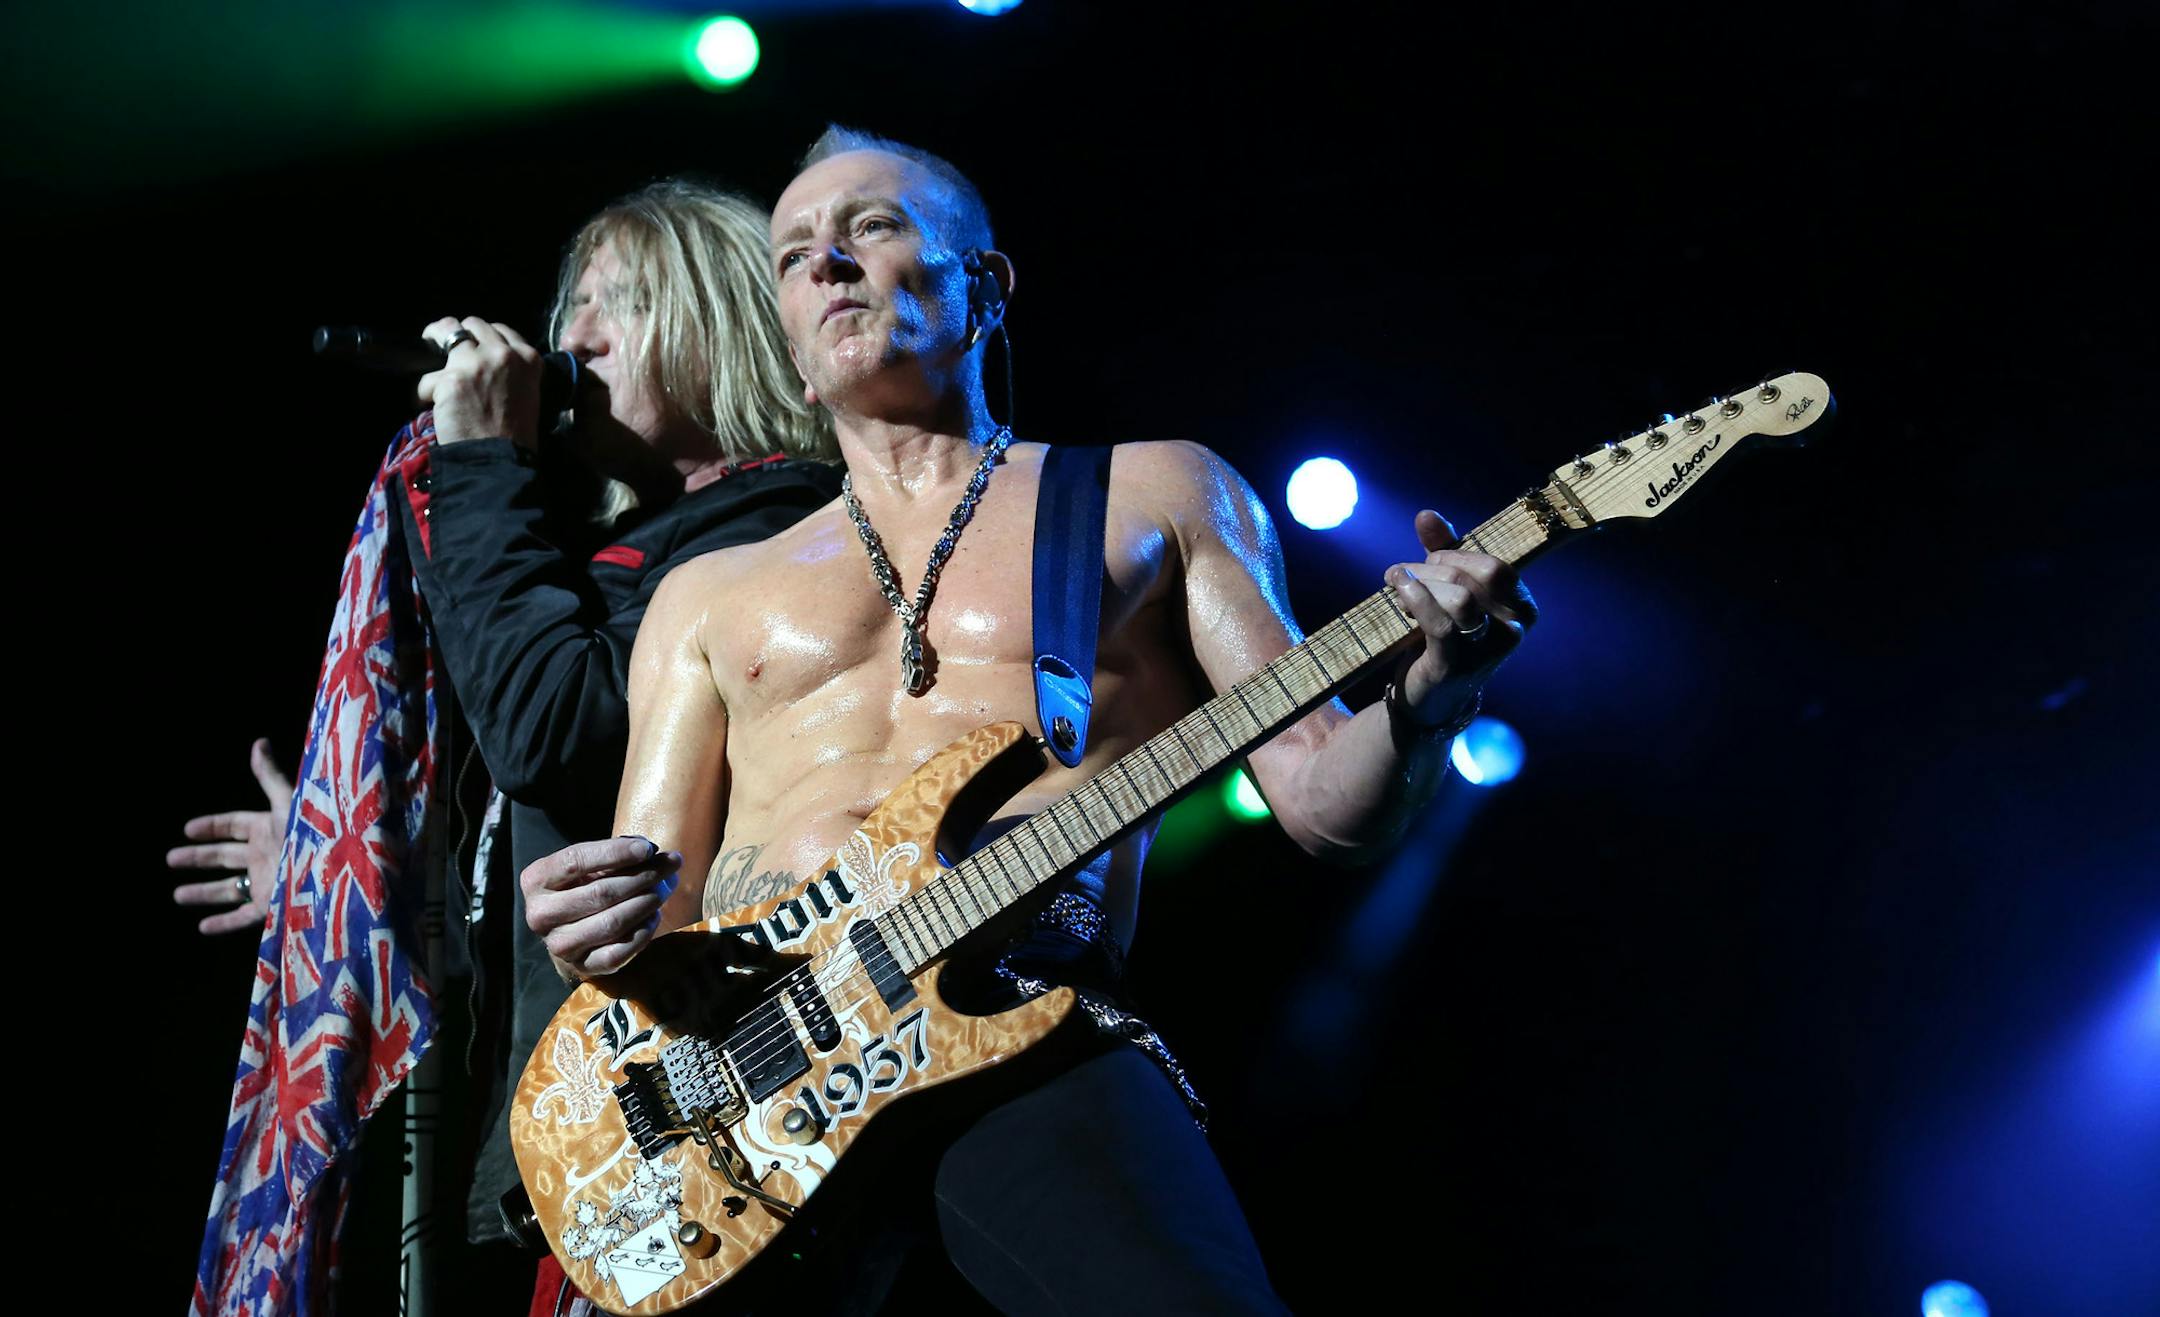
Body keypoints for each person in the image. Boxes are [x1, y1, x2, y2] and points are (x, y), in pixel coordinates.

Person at [522, 129, 1536, 1313]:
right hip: (738, 1102)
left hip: (1018, 1020)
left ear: (985, 285)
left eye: (872, 229)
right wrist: (584, 927)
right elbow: (653, 908)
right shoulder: (705, 595)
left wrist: (1431, 693)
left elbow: (1323, 805)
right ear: (792, 351)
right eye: (798, 255)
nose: (830, 266)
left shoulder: (1154, 492)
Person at [170, 179, 842, 1305]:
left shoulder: (787, 535)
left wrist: (481, 464)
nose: (570, 338)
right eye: (569, 305)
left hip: (731, 1105)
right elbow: (532, 809)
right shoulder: (617, 559)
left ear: (722, 323)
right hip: (594, 1126)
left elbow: (559, 735)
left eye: (616, 303)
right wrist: (344, 865)